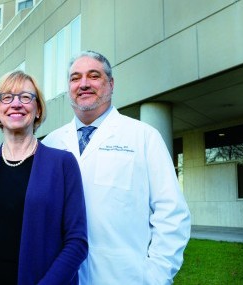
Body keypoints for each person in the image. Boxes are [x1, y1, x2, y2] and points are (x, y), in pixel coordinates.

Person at [42, 50, 191, 285]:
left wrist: (156, 276)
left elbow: (172, 213)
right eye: (75, 78)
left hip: (124, 277)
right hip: (60, 277)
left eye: (93, 76)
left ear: (110, 84)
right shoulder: (51, 143)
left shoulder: (143, 137)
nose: (83, 84)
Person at [0, 70, 88, 285]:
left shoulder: (63, 164)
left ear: (37, 110)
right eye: (7, 97)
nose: (16, 104)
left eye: (26, 97)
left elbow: (77, 242)